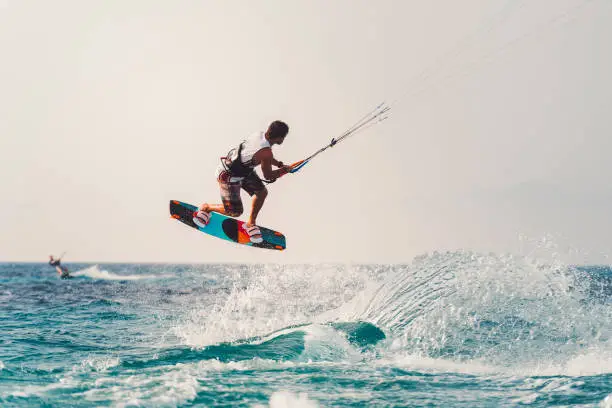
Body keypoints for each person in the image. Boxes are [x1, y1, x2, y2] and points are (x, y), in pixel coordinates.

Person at [193, 120, 292, 243]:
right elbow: (268, 175)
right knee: (235, 212)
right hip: (228, 175)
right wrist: (284, 171)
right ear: (280, 138)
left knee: (261, 192)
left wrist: (279, 165)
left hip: (243, 171)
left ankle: (251, 223)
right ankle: (206, 208)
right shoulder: (266, 152)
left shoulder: (259, 135)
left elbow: (264, 156)